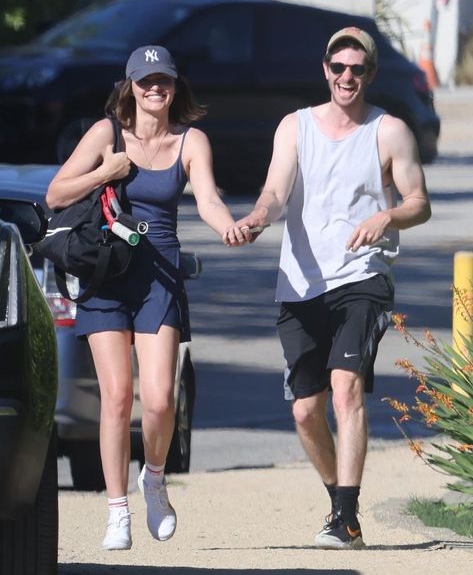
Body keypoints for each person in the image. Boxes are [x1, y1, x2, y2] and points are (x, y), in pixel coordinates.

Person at [223, 27, 431, 549]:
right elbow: (275, 190)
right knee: (303, 411)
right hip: (300, 282)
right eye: (338, 68)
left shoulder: (390, 131)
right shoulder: (295, 128)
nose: (346, 77)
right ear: (325, 70)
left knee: (346, 388)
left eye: (357, 69)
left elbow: (419, 202)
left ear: (370, 74)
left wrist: (387, 216)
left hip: (362, 277)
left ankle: (345, 516)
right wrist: (258, 217)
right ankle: (341, 507)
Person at [46, 45, 246, 550]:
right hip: (106, 275)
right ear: (129, 85)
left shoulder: (190, 141)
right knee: (115, 398)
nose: (155, 88)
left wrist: (230, 228)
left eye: (165, 80)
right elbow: (55, 195)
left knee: (158, 401)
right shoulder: (106, 134)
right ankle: (117, 512)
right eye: (146, 80)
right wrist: (105, 172)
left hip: (159, 276)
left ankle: (152, 479)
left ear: (175, 86)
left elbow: (208, 199)